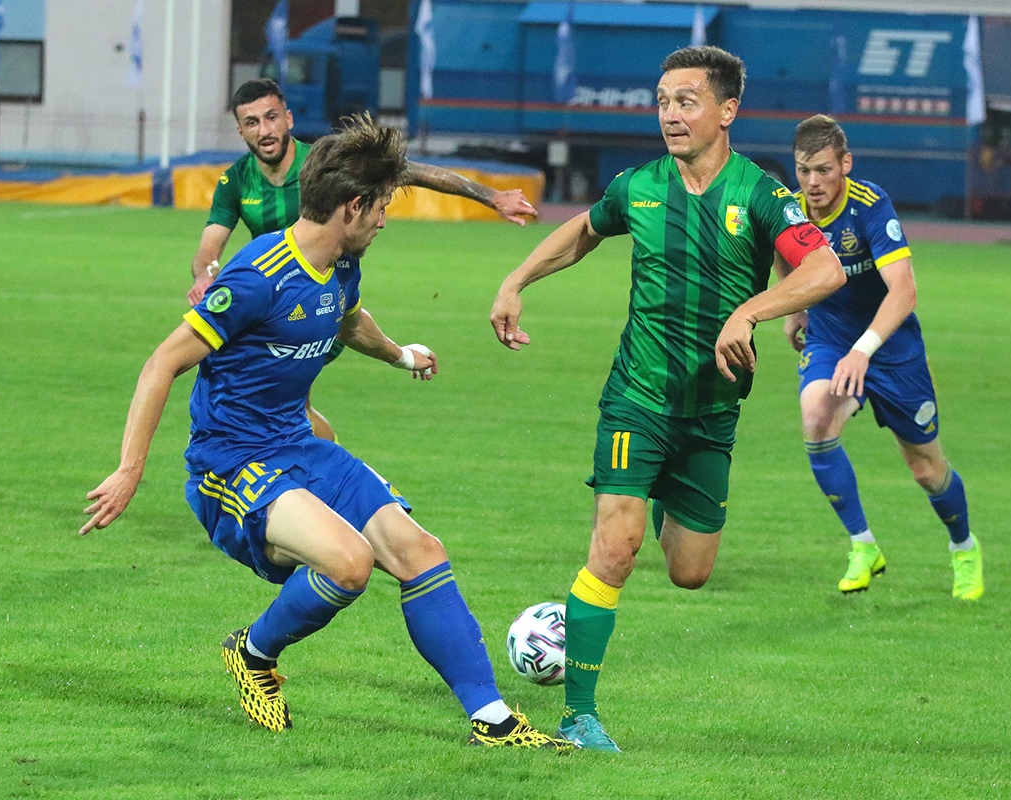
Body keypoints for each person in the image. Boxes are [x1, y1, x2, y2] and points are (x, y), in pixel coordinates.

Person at [83, 114, 568, 749]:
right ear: (352, 206)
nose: (385, 221)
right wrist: (129, 470)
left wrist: (400, 355)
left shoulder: (340, 263)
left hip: (300, 447)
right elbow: (162, 363)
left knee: (421, 551)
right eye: (382, 207)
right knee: (350, 563)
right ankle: (252, 653)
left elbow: (347, 320)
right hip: (230, 466)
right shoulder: (258, 277)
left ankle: (494, 721)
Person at [489, 46, 846, 752]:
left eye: (687, 101)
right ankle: (579, 717)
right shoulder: (640, 186)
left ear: (727, 110)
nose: (670, 115)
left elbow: (826, 269)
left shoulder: (761, 195)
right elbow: (583, 231)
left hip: (711, 411)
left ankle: (658, 494)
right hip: (638, 397)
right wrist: (515, 281)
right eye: (662, 101)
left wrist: (749, 312)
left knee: (690, 572)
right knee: (615, 550)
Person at [188, 78, 539, 441]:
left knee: (271, 411)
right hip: (275, 304)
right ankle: (320, 465)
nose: (264, 130)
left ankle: (286, 465)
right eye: (252, 122)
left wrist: (490, 196)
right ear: (240, 130)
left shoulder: (324, 163)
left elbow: (411, 171)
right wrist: (205, 275)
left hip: (321, 301)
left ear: (288, 118)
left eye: (271, 117)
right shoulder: (235, 181)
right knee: (287, 413)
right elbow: (208, 249)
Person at [776, 114, 982, 601]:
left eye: (824, 170)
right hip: (831, 341)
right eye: (804, 170)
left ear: (845, 164)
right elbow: (783, 254)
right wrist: (797, 306)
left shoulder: (870, 206)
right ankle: (863, 545)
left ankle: (964, 547)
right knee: (816, 417)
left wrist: (863, 351)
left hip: (892, 351)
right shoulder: (790, 210)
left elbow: (904, 291)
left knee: (925, 469)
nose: (813, 182)